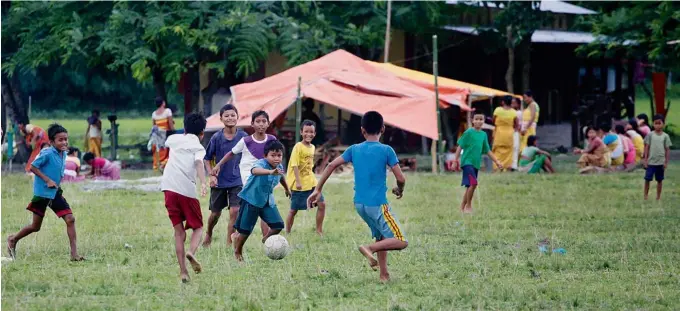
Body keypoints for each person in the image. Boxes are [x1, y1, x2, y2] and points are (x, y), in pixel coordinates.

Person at [308, 111, 407, 282]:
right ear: (383, 129)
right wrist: (400, 189)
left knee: (382, 236)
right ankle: (369, 248)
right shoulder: (386, 150)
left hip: (360, 204)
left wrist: (318, 189)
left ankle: (384, 275)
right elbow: (401, 178)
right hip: (377, 204)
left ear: (362, 130)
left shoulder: (354, 149)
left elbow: (331, 165)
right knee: (400, 240)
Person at [6, 124, 84, 261]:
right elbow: (33, 167)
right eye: (60, 140)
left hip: (55, 193)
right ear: (52, 142)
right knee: (35, 227)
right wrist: (47, 180)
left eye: (66, 139)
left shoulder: (64, 153)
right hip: (42, 194)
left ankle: (74, 255)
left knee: (70, 219)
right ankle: (13, 239)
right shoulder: (47, 153)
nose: (64, 142)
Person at [212, 110, 277, 237]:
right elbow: (231, 153)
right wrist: (218, 165)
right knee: (255, 210)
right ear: (252, 124)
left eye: (264, 121)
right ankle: (237, 236)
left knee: (263, 210)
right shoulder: (246, 141)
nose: (261, 124)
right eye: (258, 121)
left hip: (265, 181)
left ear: (268, 124)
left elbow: (276, 157)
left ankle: (265, 239)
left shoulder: (272, 139)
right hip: (249, 181)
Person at [160, 113, 208, 283]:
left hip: (168, 187)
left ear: (185, 128)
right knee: (198, 228)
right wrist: (203, 183)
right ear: (202, 134)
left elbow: (166, 143)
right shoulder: (199, 147)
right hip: (186, 190)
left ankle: (183, 272)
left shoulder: (173, 139)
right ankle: (191, 252)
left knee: (179, 232)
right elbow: (199, 163)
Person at [232, 140, 291, 262]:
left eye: (279, 155)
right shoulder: (261, 164)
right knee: (245, 231)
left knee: (278, 225)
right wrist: (270, 172)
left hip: (266, 201)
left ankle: (266, 240)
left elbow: (281, 176)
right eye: (273, 155)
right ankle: (238, 252)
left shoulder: (279, 167)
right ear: (265, 156)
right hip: (251, 200)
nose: (276, 158)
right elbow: (254, 171)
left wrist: (287, 189)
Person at [202, 104, 248, 247]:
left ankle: (229, 242)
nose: (230, 118)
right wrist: (212, 175)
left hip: (237, 180)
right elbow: (207, 158)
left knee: (235, 210)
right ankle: (209, 232)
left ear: (237, 117)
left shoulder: (244, 136)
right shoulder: (216, 137)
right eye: (226, 116)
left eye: (233, 115)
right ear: (221, 119)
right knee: (215, 213)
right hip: (220, 181)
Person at [452, 113, 503, 213]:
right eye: (477, 119)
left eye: (481, 119)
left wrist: (496, 161)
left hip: (475, 164)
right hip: (467, 163)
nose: (479, 121)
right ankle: (468, 206)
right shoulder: (469, 132)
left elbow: (487, 150)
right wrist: (455, 161)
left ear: (483, 121)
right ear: (472, 121)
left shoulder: (483, 135)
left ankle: (462, 208)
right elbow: (460, 147)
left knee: (469, 186)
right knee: (473, 183)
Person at [286, 120, 326, 235]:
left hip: (311, 182)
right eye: (306, 131)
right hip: (298, 184)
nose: (309, 134)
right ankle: (287, 232)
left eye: (311, 132)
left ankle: (319, 231)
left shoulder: (312, 147)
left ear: (315, 133)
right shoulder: (298, 146)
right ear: (301, 132)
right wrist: (298, 182)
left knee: (322, 204)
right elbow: (294, 165)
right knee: (293, 210)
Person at [643, 114, 672, 201]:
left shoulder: (665, 136)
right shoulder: (650, 135)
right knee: (647, 179)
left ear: (663, 124)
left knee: (659, 180)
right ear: (653, 124)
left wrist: (666, 162)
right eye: (656, 123)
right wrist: (645, 160)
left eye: (660, 123)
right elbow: (646, 147)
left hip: (660, 162)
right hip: (651, 162)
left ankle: (658, 197)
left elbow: (667, 149)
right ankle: (645, 196)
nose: (658, 125)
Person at [491, 96, 518, 171]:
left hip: (499, 132)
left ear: (503, 102)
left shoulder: (498, 110)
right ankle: (506, 167)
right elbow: (516, 125)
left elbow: (493, 121)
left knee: (497, 150)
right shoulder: (513, 112)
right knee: (508, 151)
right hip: (509, 133)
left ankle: (497, 168)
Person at [151, 97, 174, 171]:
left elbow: (154, 127)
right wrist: (174, 132)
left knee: (158, 150)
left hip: (158, 136)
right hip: (166, 134)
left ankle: (158, 165)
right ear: (163, 103)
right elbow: (170, 125)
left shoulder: (154, 114)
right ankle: (164, 164)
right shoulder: (167, 111)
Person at [510, 97, 523, 170]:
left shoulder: (518, 113)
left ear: (518, 105)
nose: (512, 105)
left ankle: (514, 166)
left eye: (514, 103)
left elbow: (518, 125)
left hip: (515, 132)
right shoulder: (512, 112)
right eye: (511, 103)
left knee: (515, 148)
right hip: (511, 132)